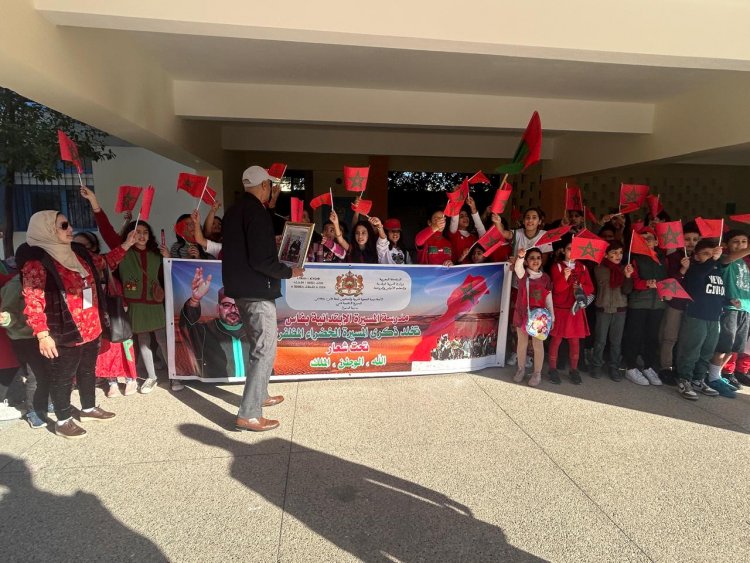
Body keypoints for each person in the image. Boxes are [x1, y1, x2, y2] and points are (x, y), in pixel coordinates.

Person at [17, 211, 136, 439]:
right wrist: (42, 334)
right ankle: (63, 420)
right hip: (64, 329)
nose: (70, 228)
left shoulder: (78, 253)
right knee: (62, 376)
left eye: (68, 224)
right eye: (63, 225)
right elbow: (32, 299)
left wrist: (127, 244)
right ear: (47, 229)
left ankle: (89, 408)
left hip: (92, 326)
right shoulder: (37, 262)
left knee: (87, 370)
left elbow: (106, 261)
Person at [222, 165, 304, 432]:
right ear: (264, 186)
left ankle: (261, 395)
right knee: (264, 349)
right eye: (269, 186)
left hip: (241, 289)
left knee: (259, 346)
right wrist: (289, 272)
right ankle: (249, 414)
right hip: (257, 290)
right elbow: (260, 260)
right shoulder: (256, 213)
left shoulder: (235, 210)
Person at [674, 240, 726, 400]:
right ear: (696, 256)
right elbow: (698, 276)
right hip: (697, 316)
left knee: (707, 351)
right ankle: (684, 379)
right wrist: (713, 260)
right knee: (692, 349)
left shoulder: (717, 271)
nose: (711, 257)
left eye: (713, 254)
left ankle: (698, 379)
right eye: (706, 254)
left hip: (714, 318)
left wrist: (729, 300)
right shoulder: (695, 270)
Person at [179, 267, 251, 379]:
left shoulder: (253, 331)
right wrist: (195, 300)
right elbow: (188, 325)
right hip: (217, 389)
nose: (233, 310)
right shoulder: (206, 331)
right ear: (218, 308)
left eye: (237, 306)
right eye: (227, 305)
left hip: (248, 388)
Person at [1, 272, 49, 428]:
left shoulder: (40, 279)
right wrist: (6, 319)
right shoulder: (15, 286)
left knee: (45, 371)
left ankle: (45, 403)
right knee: (34, 375)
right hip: (23, 338)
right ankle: (33, 411)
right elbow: (8, 313)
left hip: (41, 335)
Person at [707, 229, 750, 397]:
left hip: (745, 308)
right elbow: (730, 258)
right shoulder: (726, 260)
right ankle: (712, 377)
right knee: (724, 344)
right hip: (729, 308)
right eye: (736, 242)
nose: (740, 245)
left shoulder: (745, 263)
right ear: (726, 245)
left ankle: (718, 375)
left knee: (735, 347)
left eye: (744, 242)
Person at [622, 227, 666, 386]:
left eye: (649, 238)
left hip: (658, 304)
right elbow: (632, 283)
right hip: (639, 302)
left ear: (656, 241)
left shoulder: (663, 259)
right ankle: (630, 367)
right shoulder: (634, 259)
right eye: (642, 239)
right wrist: (646, 284)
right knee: (635, 336)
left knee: (652, 337)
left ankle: (647, 366)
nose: (646, 241)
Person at [547, 238, 595, 385]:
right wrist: (565, 277)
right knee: (556, 340)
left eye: (575, 249)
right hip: (560, 309)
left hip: (575, 310)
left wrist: (580, 287)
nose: (572, 252)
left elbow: (590, 287)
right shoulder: (557, 267)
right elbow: (557, 289)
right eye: (569, 249)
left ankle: (574, 370)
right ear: (564, 251)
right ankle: (552, 369)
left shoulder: (583, 268)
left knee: (575, 342)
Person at [658, 221, 700, 385]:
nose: (691, 243)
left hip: (693, 306)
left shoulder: (701, 258)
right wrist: (683, 270)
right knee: (669, 338)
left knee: (685, 339)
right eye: (687, 239)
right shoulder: (674, 257)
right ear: (681, 240)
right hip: (676, 303)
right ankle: (665, 368)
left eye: (695, 239)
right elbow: (668, 281)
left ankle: (680, 368)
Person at [591, 241, 634, 381]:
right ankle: (596, 366)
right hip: (603, 308)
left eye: (621, 252)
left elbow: (627, 290)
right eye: (614, 252)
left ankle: (613, 368)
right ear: (606, 254)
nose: (618, 255)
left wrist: (627, 276)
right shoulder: (599, 269)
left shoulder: (624, 269)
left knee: (616, 341)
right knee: (600, 340)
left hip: (620, 309)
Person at [511, 247, 553, 387]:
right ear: (527, 261)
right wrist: (520, 257)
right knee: (522, 343)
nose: (535, 260)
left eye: (538, 258)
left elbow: (548, 297)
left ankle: (537, 373)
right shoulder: (523, 275)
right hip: (522, 314)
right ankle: (521, 369)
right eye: (532, 258)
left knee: (537, 344)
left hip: (539, 317)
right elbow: (517, 267)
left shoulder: (546, 278)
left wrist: (552, 316)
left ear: (542, 260)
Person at [448, 196, 486, 264]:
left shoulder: (474, 237)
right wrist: (457, 201)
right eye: (461, 216)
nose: (465, 218)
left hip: (472, 271)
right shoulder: (454, 234)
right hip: (456, 271)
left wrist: (473, 208)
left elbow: (481, 230)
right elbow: (454, 220)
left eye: (466, 215)